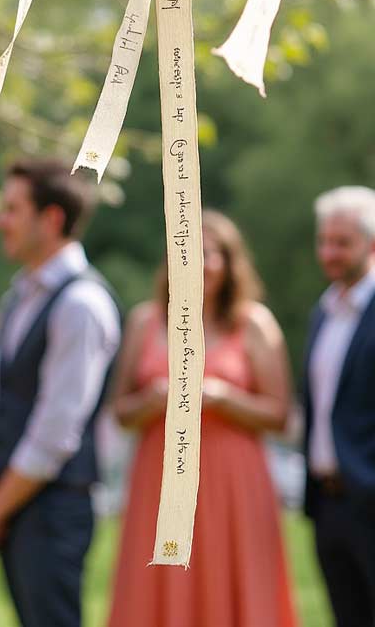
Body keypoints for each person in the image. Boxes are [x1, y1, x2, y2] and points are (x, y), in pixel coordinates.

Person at [106, 210, 297, 627]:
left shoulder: (254, 325)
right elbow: (120, 411)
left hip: (233, 481)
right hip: (159, 481)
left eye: (209, 253)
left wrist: (225, 397)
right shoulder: (144, 321)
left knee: (232, 576)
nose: (197, 262)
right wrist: (152, 401)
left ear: (229, 263)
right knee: (159, 585)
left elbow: (280, 414)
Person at [0, 158, 120, 627]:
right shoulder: (18, 297)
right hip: (13, 504)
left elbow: (57, 429)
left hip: (55, 508)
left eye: (12, 209)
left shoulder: (82, 304)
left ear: (51, 219)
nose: (0, 220)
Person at [303, 186, 375, 627]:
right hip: (328, 504)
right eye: (324, 241)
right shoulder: (324, 311)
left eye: (341, 243)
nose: (329, 253)